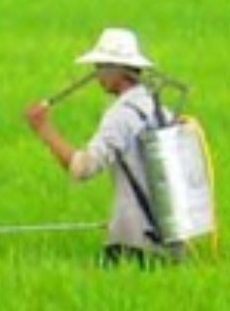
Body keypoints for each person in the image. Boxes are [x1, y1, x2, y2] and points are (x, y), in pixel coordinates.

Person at [24, 28, 184, 268]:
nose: (97, 75)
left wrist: (44, 130)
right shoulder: (157, 106)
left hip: (135, 241)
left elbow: (83, 168)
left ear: (115, 70)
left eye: (100, 67)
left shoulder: (121, 115)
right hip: (169, 239)